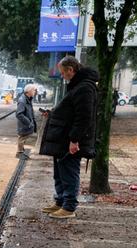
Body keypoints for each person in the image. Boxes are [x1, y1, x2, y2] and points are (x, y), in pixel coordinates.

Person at [39, 55, 99, 219]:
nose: (62, 76)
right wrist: (52, 114)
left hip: (71, 141)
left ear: (71, 70)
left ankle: (69, 207)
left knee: (69, 173)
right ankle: (60, 202)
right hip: (62, 139)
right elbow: (70, 111)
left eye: (63, 73)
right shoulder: (77, 86)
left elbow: (84, 118)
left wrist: (74, 140)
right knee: (60, 172)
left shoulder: (85, 88)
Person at [15, 84, 37, 159]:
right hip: (23, 125)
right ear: (29, 91)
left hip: (26, 124)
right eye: (34, 90)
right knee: (21, 138)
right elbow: (19, 114)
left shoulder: (28, 99)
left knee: (23, 138)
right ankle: (19, 153)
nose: (35, 91)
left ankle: (21, 152)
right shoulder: (22, 100)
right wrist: (29, 122)